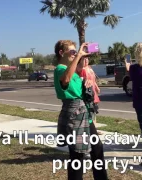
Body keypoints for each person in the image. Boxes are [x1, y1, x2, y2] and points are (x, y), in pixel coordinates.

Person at [53, 40, 108, 180]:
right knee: (77, 155)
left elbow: (74, 83)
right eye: (72, 51)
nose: (75, 54)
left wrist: (86, 83)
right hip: (74, 112)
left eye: (75, 52)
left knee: (97, 148)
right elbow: (65, 80)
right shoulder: (59, 68)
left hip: (84, 111)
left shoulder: (71, 69)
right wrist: (78, 58)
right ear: (61, 52)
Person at [77, 56, 102, 135]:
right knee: (89, 112)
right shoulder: (81, 70)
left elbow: (93, 80)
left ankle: (94, 129)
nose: (86, 60)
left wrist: (97, 88)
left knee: (94, 111)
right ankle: (91, 130)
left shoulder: (90, 68)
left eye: (87, 58)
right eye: (84, 59)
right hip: (87, 94)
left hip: (93, 93)